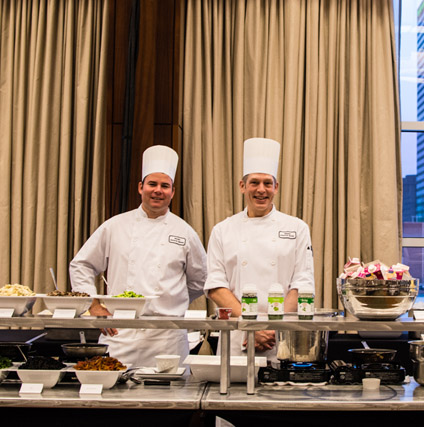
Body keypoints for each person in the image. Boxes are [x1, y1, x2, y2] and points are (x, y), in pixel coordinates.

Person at [69, 145, 207, 368]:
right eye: (152, 184)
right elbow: (81, 265)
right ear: (140, 187)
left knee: (171, 390)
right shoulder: (115, 226)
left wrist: (171, 301)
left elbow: (201, 281)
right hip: (120, 333)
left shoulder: (185, 232)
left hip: (167, 338)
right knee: (116, 387)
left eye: (165, 186)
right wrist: (93, 305)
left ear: (172, 192)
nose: (158, 190)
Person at [205, 137, 314, 362]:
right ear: (242, 186)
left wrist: (271, 327)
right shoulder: (222, 230)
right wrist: (252, 326)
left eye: (267, 183)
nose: (261, 190)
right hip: (238, 334)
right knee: (233, 384)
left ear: (276, 187)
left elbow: (302, 284)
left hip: (281, 336)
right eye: (254, 182)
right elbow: (216, 287)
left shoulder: (297, 228)